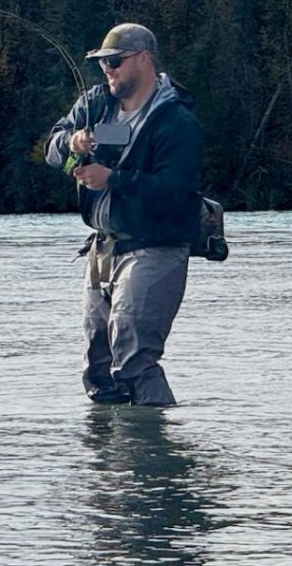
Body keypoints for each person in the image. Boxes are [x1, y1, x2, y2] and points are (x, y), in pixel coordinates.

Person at [44, 23, 203, 406]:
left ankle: (154, 455)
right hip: (102, 250)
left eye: (114, 61)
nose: (108, 70)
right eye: (102, 64)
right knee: (98, 364)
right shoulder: (94, 104)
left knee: (134, 358)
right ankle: (108, 460)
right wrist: (71, 141)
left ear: (143, 59)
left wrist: (114, 179)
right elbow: (52, 149)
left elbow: (175, 192)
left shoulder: (176, 121)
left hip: (155, 247)